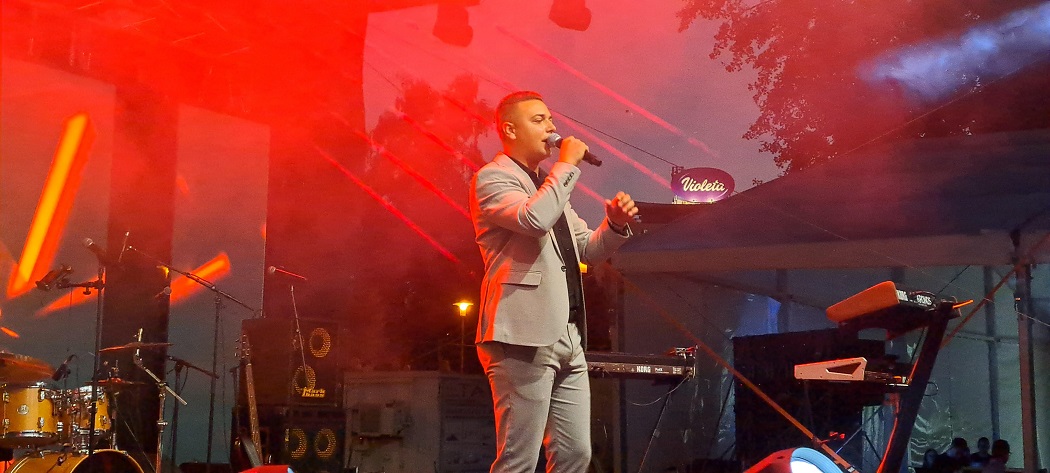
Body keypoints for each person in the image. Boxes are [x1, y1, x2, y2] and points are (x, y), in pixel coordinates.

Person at [468, 91, 637, 472]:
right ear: (510, 130)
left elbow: (587, 249)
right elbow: (534, 220)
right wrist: (567, 166)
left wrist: (614, 224)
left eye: (550, 119)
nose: (551, 128)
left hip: (567, 335)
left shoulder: (548, 184)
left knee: (576, 454)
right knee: (519, 459)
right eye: (539, 120)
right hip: (520, 335)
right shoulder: (493, 178)